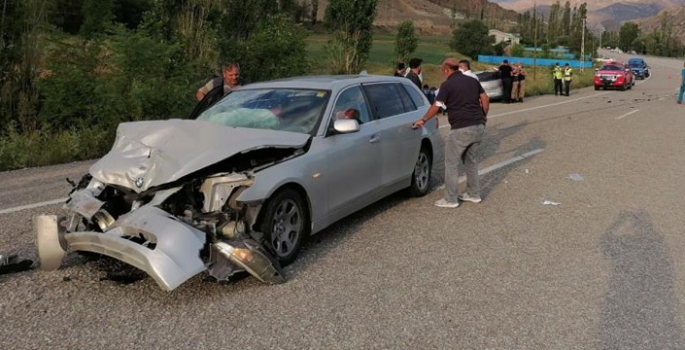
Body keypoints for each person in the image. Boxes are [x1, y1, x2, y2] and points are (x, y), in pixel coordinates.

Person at [412, 58, 489, 208]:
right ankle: (474, 194)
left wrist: (424, 119)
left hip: (461, 128)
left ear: (447, 70)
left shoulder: (447, 85)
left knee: (451, 163)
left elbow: (437, 106)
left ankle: (450, 199)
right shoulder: (472, 81)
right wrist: (483, 116)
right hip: (478, 126)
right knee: (471, 162)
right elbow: (485, 99)